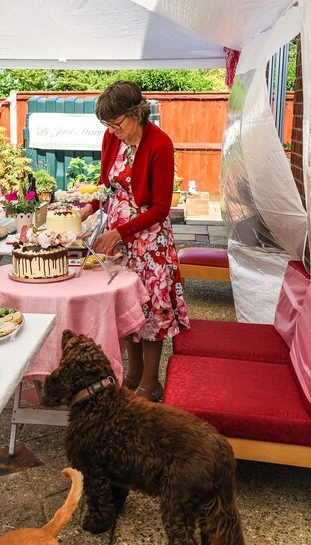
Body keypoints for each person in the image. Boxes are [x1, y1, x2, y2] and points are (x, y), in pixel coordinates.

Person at [82, 80, 189, 402]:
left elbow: (160, 208)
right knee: (129, 307)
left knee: (153, 311)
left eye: (117, 123)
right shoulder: (110, 139)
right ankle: (131, 374)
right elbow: (106, 185)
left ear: (136, 113)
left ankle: (150, 382)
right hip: (120, 236)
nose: (113, 131)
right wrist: (88, 207)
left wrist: (120, 232)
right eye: (108, 125)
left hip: (149, 240)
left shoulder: (160, 144)